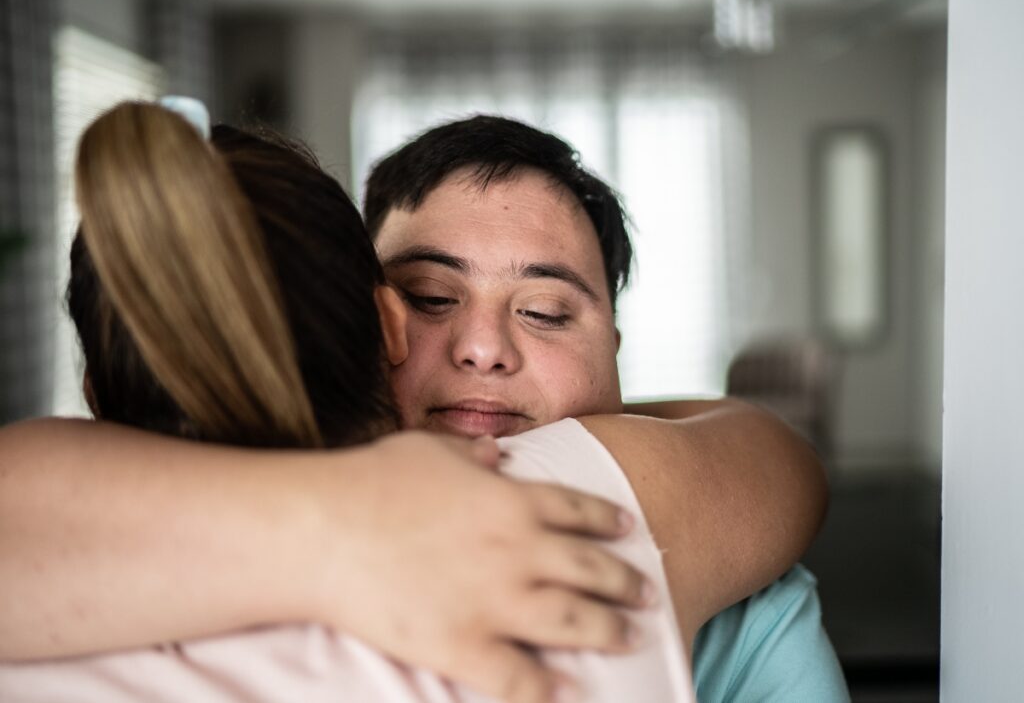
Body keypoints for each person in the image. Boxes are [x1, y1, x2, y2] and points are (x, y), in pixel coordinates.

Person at [0, 108, 842, 700]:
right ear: (380, 320)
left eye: (546, 313)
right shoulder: (619, 508)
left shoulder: (755, 604)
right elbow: (763, 451)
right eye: (433, 297)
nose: (483, 348)